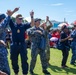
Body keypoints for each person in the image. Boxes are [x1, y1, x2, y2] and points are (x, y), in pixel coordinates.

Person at [9, 9, 34, 75]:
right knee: (14, 60)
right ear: (16, 19)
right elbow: (9, 17)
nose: (21, 20)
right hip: (14, 45)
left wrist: (31, 16)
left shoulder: (23, 25)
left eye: (21, 19)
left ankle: (25, 73)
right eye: (19, 18)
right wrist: (13, 11)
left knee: (24, 60)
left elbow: (32, 24)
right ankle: (16, 72)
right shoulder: (12, 25)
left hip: (22, 45)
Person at [0, 8, 18, 75]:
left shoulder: (4, 28)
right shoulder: (1, 27)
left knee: (6, 71)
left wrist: (12, 13)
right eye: (3, 19)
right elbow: (3, 24)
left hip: (3, 51)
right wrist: (10, 14)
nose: (5, 20)